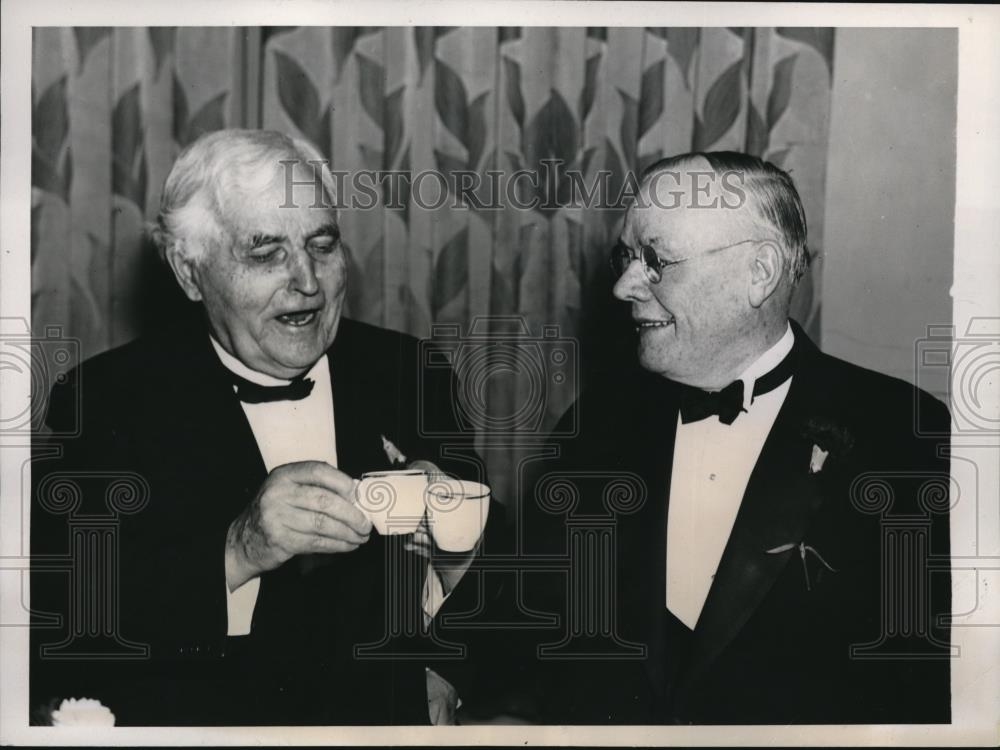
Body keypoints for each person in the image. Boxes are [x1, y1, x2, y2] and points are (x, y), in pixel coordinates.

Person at [30, 129, 497, 726]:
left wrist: (446, 667)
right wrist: (238, 550)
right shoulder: (105, 401)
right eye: (266, 252)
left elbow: (495, 574)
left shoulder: (409, 372)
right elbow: (66, 615)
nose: (307, 282)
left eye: (322, 247)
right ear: (189, 272)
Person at [517, 152, 951, 724]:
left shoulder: (901, 432)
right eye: (627, 256)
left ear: (760, 273)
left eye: (656, 260)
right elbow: (534, 621)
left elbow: (922, 685)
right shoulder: (598, 420)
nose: (624, 285)